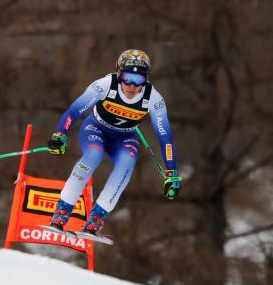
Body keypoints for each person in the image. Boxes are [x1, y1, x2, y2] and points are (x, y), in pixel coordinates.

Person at [46, 49, 180, 236]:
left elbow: (165, 138)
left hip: (125, 137)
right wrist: (59, 135)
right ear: (119, 74)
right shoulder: (105, 85)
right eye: (127, 78)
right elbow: (74, 111)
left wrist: (171, 173)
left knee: (127, 163)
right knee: (93, 155)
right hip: (96, 129)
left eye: (139, 80)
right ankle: (61, 212)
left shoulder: (154, 99)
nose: (132, 86)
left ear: (147, 78)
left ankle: (96, 218)